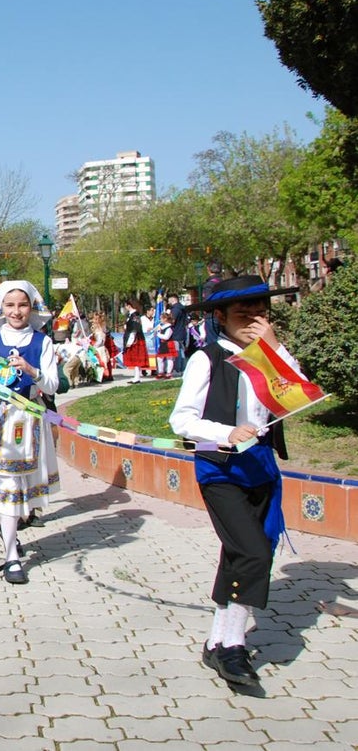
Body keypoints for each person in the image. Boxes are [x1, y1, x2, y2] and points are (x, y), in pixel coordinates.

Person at [168, 275, 300, 688]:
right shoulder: (206, 359)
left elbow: (296, 392)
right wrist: (226, 433)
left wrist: (274, 349)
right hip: (220, 468)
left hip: (260, 466)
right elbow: (181, 419)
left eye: (260, 313)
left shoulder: (270, 354)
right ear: (221, 318)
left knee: (240, 554)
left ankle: (220, 642)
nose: (253, 322)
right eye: (243, 315)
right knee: (254, 552)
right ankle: (234, 648)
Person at [0, 280, 58, 586]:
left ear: (31, 307)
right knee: (8, 488)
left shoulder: (41, 342)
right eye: (10, 305)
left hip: (31, 420)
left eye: (22, 305)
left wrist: (32, 370)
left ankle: (12, 529)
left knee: (25, 492)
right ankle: (11, 557)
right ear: (1, 308)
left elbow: (52, 385)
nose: (16, 311)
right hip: (1, 422)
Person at [122, 300, 150, 383]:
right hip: (132, 338)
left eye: (126, 306)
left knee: (136, 358)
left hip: (135, 340)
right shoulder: (131, 315)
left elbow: (135, 329)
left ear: (129, 306)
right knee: (135, 359)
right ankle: (136, 376)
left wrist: (129, 341)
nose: (125, 308)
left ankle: (137, 377)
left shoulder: (135, 315)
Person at [167, 293, 189, 373]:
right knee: (180, 350)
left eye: (169, 299)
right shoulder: (182, 308)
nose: (168, 301)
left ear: (173, 299)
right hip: (181, 332)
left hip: (176, 332)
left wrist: (167, 317)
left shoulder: (175, 309)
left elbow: (172, 321)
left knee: (177, 352)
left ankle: (178, 369)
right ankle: (182, 368)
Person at [156, 312, 177, 379]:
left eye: (161, 318)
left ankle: (168, 373)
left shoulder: (169, 327)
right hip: (163, 344)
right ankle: (161, 372)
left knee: (169, 358)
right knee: (159, 358)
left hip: (168, 344)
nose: (160, 320)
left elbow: (166, 337)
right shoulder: (163, 327)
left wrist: (158, 334)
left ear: (165, 319)